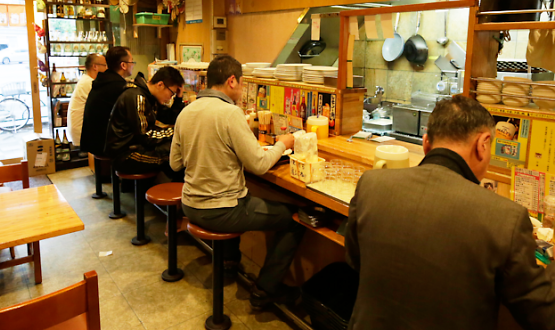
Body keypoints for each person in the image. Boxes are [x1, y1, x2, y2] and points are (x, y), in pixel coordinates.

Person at [345, 95, 555, 330]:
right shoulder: (506, 218)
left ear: (426, 144)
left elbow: (355, 260)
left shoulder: (371, 184)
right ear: (482, 144)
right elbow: (544, 316)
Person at [170, 55, 303, 308]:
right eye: (241, 84)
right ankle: (265, 289)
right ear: (231, 81)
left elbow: (175, 163)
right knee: (294, 220)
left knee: (236, 194)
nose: (241, 90)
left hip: (190, 205)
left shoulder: (186, 112)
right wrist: (281, 144)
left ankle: (230, 262)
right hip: (220, 211)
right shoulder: (230, 114)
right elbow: (260, 165)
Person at [105, 66, 185, 181]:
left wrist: (178, 97)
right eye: (171, 93)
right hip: (125, 155)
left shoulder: (149, 96)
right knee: (175, 157)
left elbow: (170, 118)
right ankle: (175, 194)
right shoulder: (137, 96)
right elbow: (146, 136)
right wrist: (175, 133)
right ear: (160, 85)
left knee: (175, 150)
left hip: (136, 147)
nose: (169, 98)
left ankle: (174, 191)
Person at [80, 47, 135, 155]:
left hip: (94, 142)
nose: (133, 65)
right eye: (132, 61)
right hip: (105, 145)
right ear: (123, 65)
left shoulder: (103, 81)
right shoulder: (118, 87)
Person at [66, 53, 107, 148]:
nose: (107, 68)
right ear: (95, 67)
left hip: (82, 131)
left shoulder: (87, 80)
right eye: (104, 65)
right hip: (82, 133)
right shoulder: (89, 83)